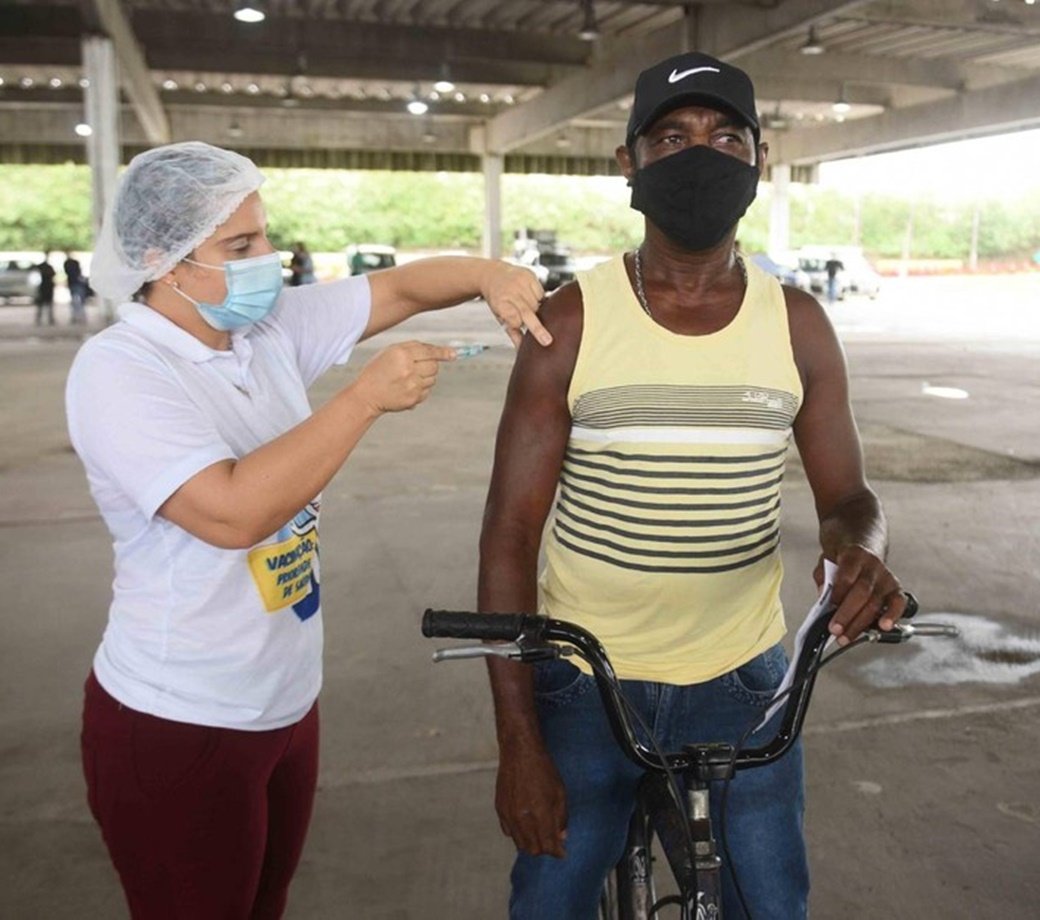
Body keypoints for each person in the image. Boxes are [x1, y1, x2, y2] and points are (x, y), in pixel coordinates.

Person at [65, 141, 548, 920]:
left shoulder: (264, 331)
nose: (269, 261)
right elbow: (230, 512)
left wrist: (488, 274)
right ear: (164, 260)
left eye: (264, 236)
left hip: (284, 702)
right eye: (240, 247)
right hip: (180, 715)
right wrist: (361, 400)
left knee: (263, 903)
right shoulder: (121, 371)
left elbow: (400, 288)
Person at [477, 52, 908, 920]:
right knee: (549, 901)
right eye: (671, 138)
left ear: (757, 161)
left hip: (742, 680)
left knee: (771, 906)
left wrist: (858, 554)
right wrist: (518, 743)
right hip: (583, 676)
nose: (700, 155)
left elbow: (848, 500)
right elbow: (510, 534)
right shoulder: (570, 320)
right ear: (628, 164)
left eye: (725, 137)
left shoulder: (797, 324)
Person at [64, 251, 88, 324]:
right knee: (80, 301)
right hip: (77, 283)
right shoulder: (74, 263)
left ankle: (76, 317)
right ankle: (81, 316)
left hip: (73, 283)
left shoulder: (67, 264)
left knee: (75, 301)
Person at [34, 251, 56, 325]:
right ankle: (49, 320)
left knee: (42, 306)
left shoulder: (41, 267)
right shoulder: (49, 268)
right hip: (47, 287)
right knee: (47, 305)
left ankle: (40, 320)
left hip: (44, 287)